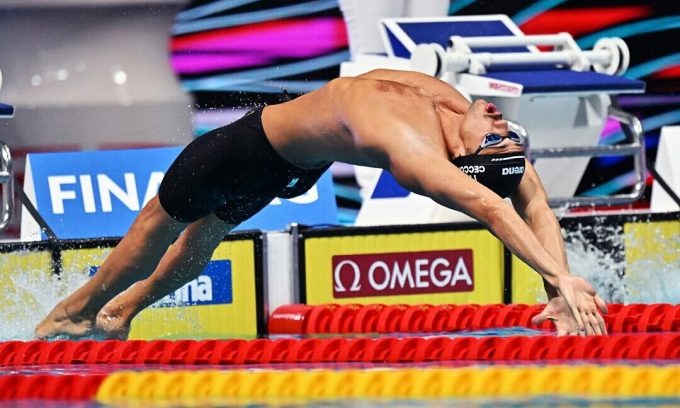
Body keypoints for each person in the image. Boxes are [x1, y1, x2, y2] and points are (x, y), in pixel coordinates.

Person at [35, 69, 608, 340]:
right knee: (201, 243)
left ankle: (76, 310)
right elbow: (531, 198)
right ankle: (122, 311)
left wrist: (561, 278)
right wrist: (558, 290)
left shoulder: (415, 150)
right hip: (291, 163)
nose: (504, 124)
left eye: (499, 138)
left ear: (466, 155)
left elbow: (496, 208)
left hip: (250, 148)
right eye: (508, 134)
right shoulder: (458, 109)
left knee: (155, 226)